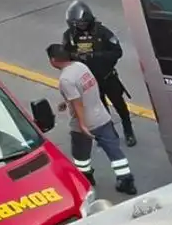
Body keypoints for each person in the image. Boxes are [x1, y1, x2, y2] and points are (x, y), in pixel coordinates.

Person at [48, 43, 136, 195]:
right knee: (114, 151)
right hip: (102, 116)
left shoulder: (66, 79)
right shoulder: (81, 67)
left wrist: (82, 124)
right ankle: (126, 180)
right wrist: (66, 101)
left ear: (53, 60)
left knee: (81, 156)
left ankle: (86, 177)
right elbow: (86, 90)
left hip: (85, 123)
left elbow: (78, 103)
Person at [62, 0, 136, 146]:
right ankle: (110, 136)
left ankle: (128, 132)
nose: (79, 26)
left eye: (81, 23)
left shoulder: (102, 32)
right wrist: (76, 57)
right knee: (100, 110)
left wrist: (96, 56)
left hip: (107, 77)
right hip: (89, 82)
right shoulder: (70, 36)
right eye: (76, 23)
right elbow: (65, 55)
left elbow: (117, 52)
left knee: (119, 105)